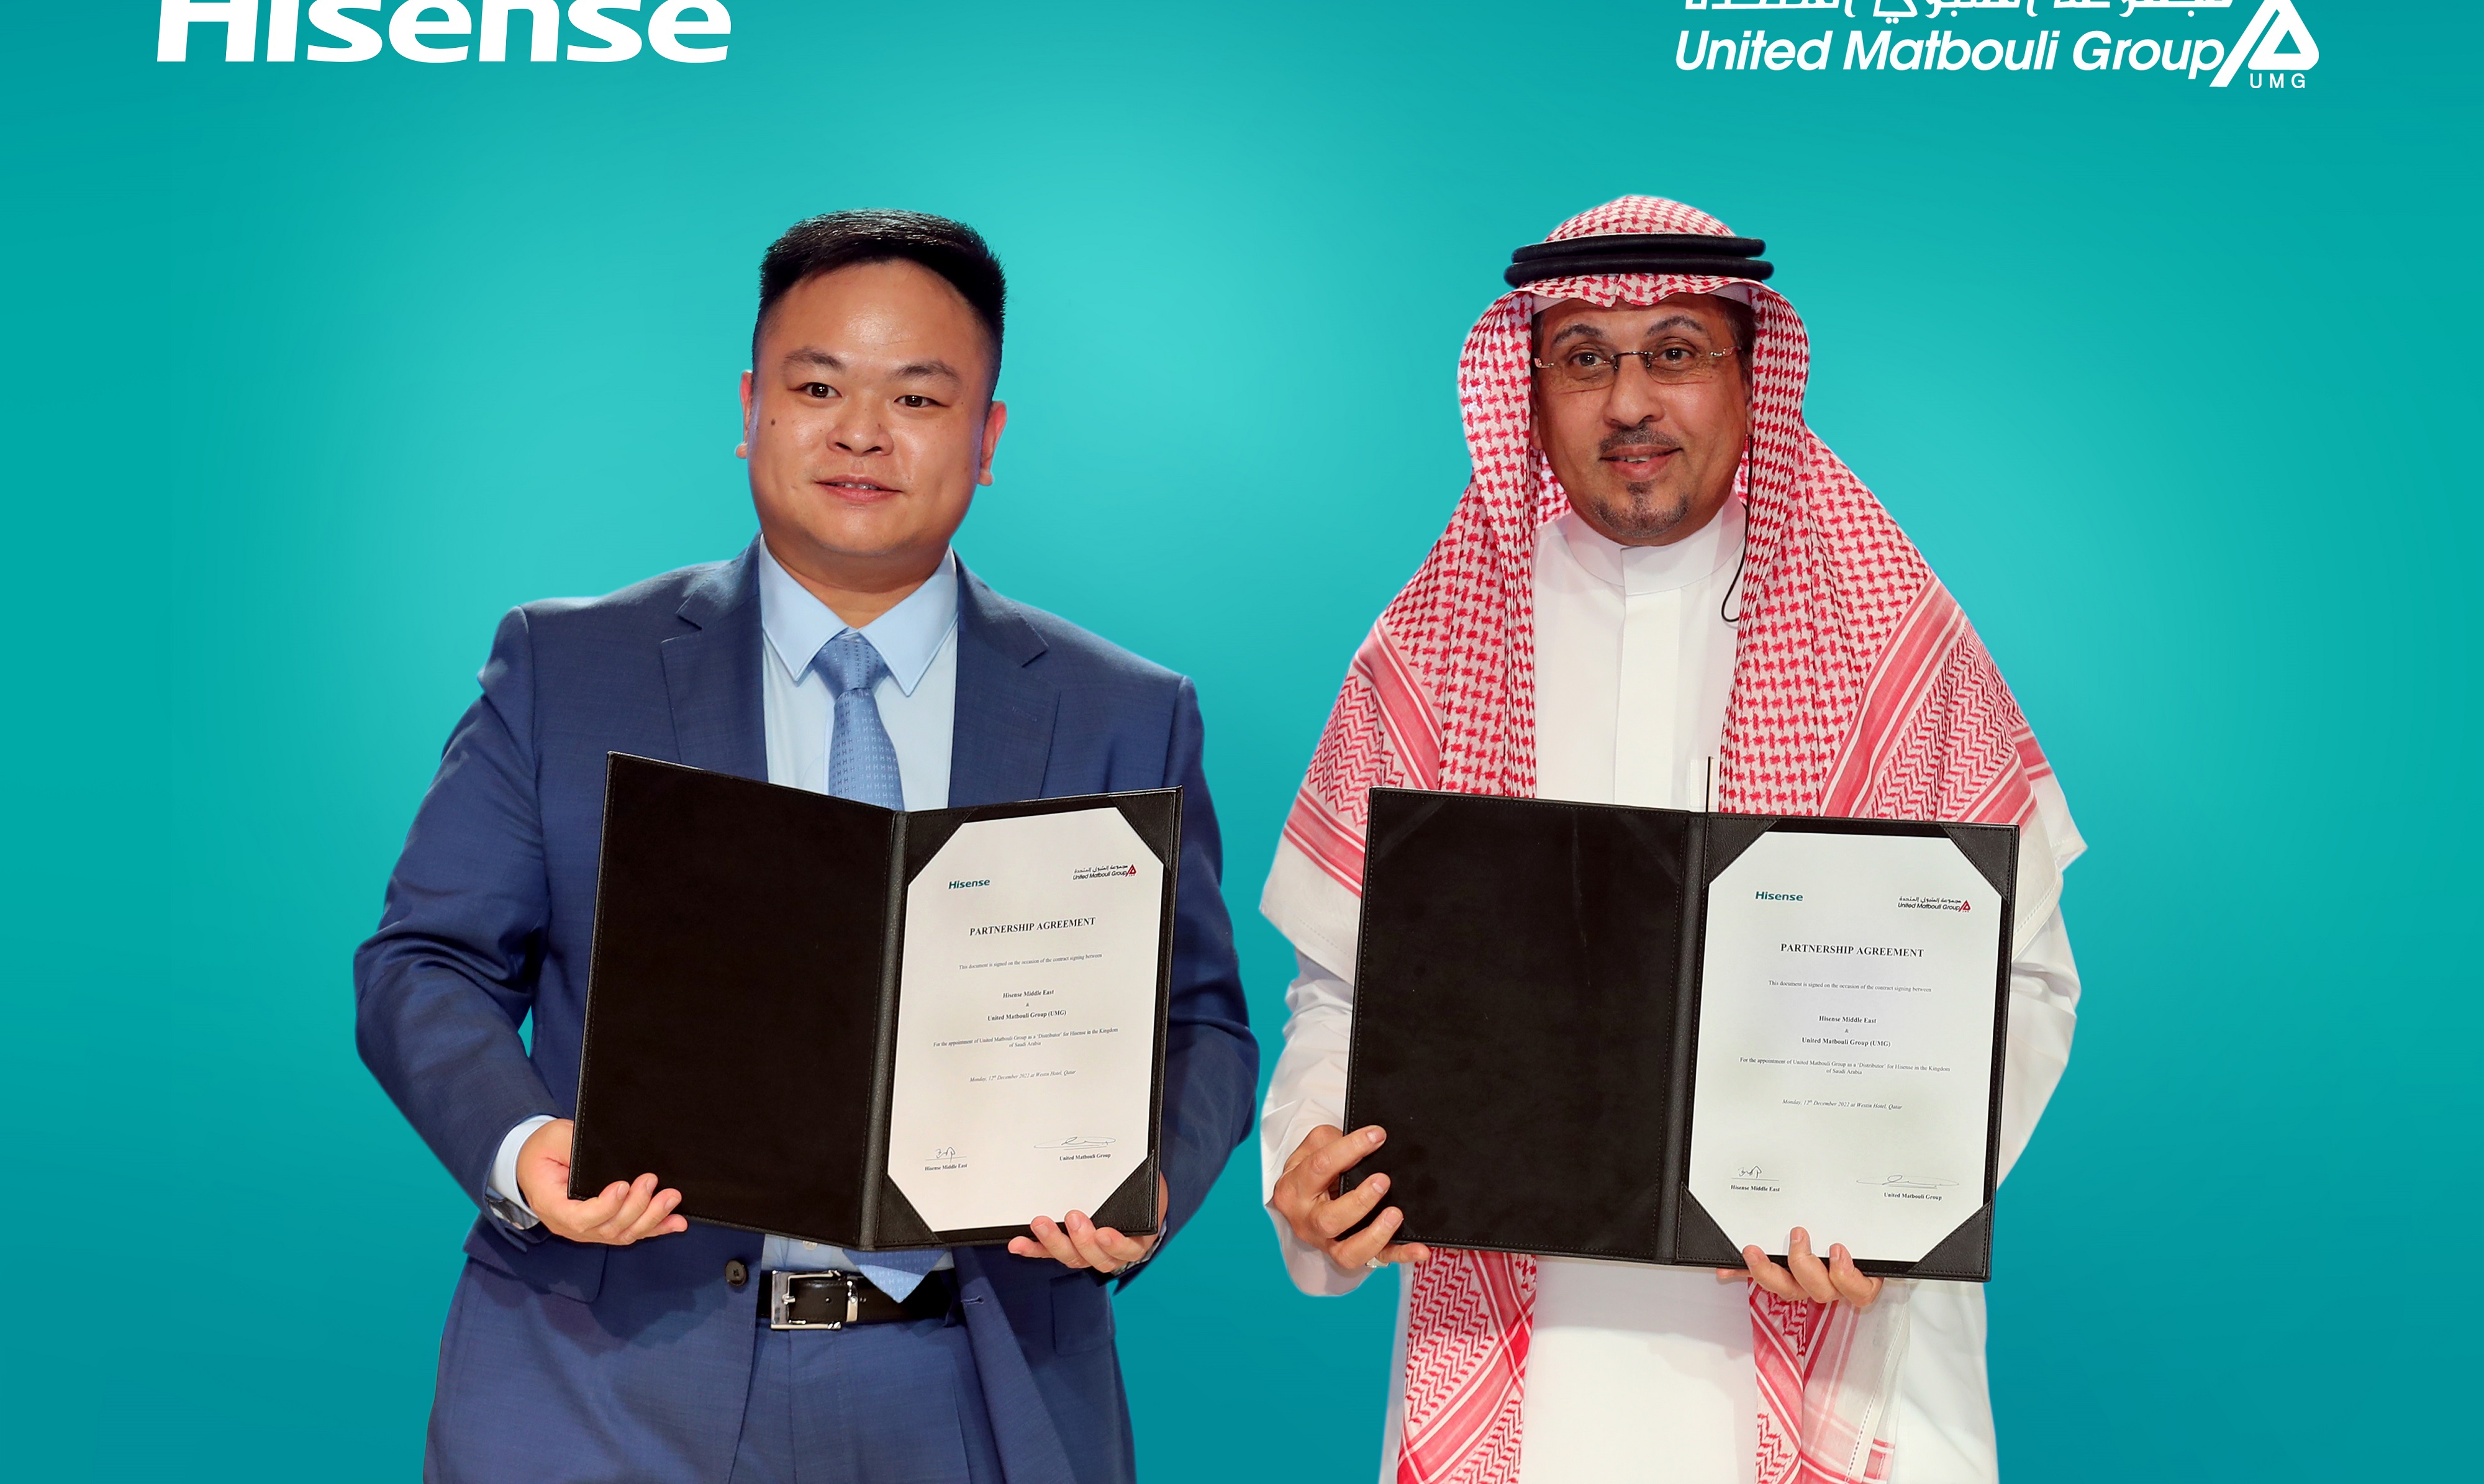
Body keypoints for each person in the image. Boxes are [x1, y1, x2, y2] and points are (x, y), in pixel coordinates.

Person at [356, 209, 1257, 1484]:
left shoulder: (1122, 711)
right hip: (607, 1378)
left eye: (918, 397)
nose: (860, 433)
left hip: (974, 1387)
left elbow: (1199, 1020)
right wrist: (521, 1145)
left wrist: (1144, 1181)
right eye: (818, 386)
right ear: (751, 407)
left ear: (988, 435)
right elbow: (425, 962)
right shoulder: (567, 668)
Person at [1259, 197, 2082, 1484]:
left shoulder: (1891, 641)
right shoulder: (1429, 646)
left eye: (1675, 352)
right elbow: (1341, 983)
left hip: (1831, 1326)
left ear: (1751, 375)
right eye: (1584, 357)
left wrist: (1899, 1197)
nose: (1629, 401)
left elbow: (2020, 979)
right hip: (1525, 1348)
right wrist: (1314, 1162)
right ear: (1530, 390)